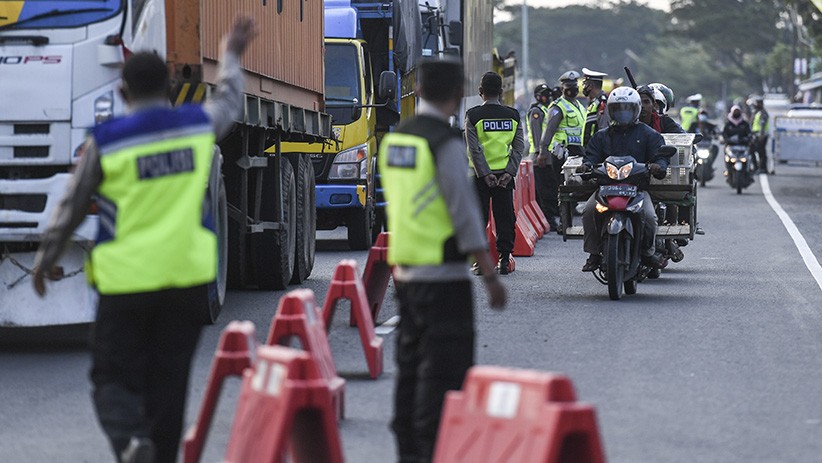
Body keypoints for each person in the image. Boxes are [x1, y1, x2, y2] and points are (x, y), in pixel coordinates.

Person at [31, 17, 256, 463]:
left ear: (122, 91)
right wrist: (231, 53)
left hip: (127, 282)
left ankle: (131, 440)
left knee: (111, 378)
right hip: (186, 280)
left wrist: (45, 259)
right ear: (171, 85)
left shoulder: (107, 141)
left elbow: (71, 206)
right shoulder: (196, 125)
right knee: (169, 388)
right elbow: (230, 101)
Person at [378, 57, 507, 463]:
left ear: (417, 91)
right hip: (445, 277)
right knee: (444, 377)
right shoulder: (445, 143)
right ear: (457, 94)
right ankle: (433, 452)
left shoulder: (396, 140)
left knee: (410, 370)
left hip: (406, 274)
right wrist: (491, 276)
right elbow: (465, 215)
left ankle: (408, 452)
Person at [578, 87, 668, 271]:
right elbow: (590, 157)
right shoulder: (601, 136)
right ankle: (593, 253)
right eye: (618, 109)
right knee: (588, 211)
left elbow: (660, 156)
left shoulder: (649, 134)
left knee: (650, 217)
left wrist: (658, 166)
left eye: (627, 108)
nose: (623, 113)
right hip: (605, 189)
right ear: (611, 111)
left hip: (637, 189)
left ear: (636, 110)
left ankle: (648, 253)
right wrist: (586, 166)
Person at [465, 71, 525, 274]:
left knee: (479, 219)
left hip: (480, 177)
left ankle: (480, 262)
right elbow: (519, 147)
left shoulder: (473, 115)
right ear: (501, 91)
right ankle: (505, 260)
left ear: (480, 91)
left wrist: (485, 174)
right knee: (505, 218)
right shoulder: (513, 115)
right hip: (504, 177)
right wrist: (509, 172)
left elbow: (474, 149)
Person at [535, 70, 587, 233]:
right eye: (568, 86)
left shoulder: (579, 106)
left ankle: (567, 221)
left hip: (578, 152)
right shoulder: (558, 106)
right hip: (562, 154)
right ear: (562, 88)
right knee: (565, 188)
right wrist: (543, 152)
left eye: (574, 85)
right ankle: (564, 222)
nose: (572, 89)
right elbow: (548, 131)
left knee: (575, 188)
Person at [527, 83, 556, 223]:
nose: (548, 97)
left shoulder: (547, 109)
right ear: (537, 96)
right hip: (539, 158)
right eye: (544, 94)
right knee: (544, 191)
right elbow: (536, 133)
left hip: (547, 156)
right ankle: (547, 218)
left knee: (549, 188)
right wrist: (540, 153)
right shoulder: (536, 111)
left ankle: (549, 216)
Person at [581, 67, 610, 146]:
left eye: (585, 83)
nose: (583, 86)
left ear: (590, 86)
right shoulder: (593, 103)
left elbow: (604, 129)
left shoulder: (602, 103)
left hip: (596, 150)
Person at [722, 104, 752, 176]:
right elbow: (724, 133)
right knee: (727, 156)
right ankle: (728, 170)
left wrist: (747, 138)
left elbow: (749, 133)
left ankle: (748, 169)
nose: (736, 113)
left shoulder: (744, 124)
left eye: (737, 111)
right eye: (735, 111)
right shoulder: (728, 124)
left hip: (743, 145)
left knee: (749, 154)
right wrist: (726, 139)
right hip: (731, 145)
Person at [750, 95, 770, 173]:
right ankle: (756, 167)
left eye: (758, 103)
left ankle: (762, 168)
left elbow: (762, 124)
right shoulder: (756, 112)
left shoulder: (762, 113)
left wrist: (761, 135)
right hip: (755, 135)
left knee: (761, 151)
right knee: (752, 150)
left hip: (761, 135)